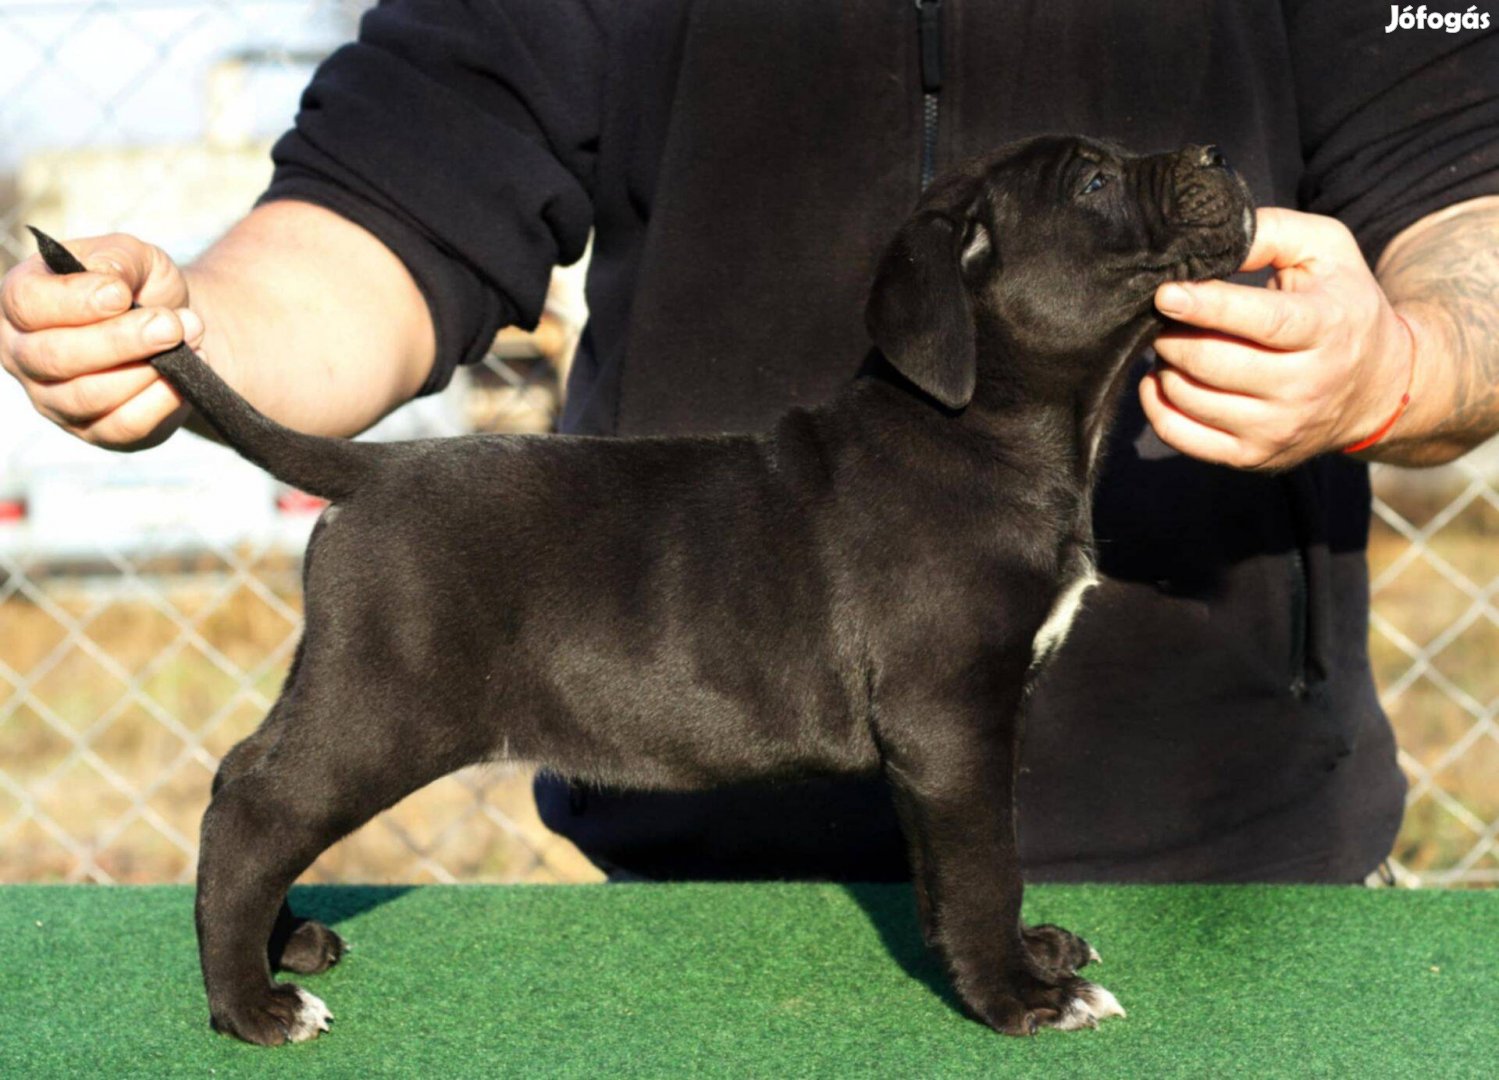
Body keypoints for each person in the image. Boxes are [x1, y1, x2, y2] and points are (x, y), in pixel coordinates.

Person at [3, 3, 1496, 884]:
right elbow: (396, 195)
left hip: (1220, 836)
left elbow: (1471, 201)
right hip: (693, 839)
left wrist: (1409, 356)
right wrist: (190, 335)